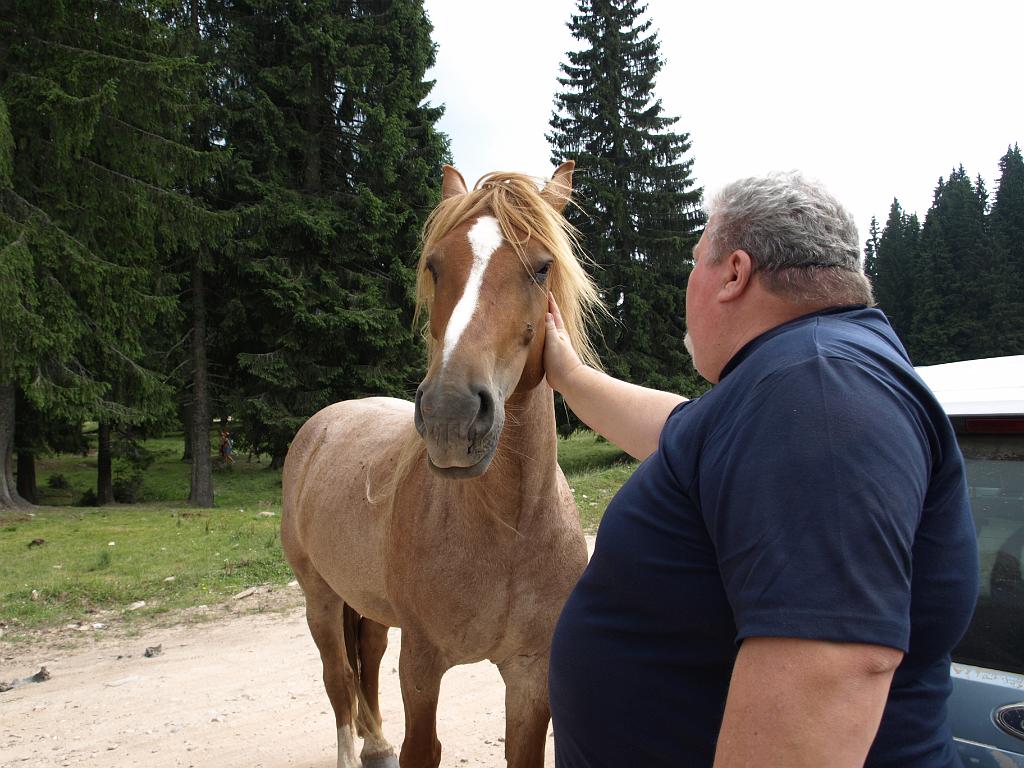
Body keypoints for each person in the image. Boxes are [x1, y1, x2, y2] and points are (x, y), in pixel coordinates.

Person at [543, 172, 978, 768]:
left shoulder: (818, 388)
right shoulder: (795, 380)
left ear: (734, 274)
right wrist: (568, 373)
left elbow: (832, 671)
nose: (686, 284)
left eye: (695, 261)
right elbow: (674, 428)